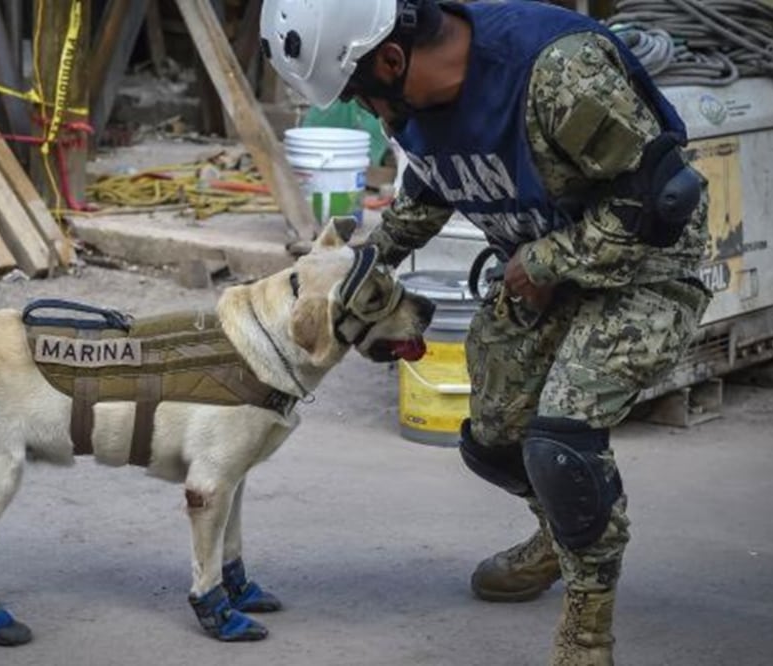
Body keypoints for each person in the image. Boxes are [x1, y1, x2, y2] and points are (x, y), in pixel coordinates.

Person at [261, 1, 712, 664]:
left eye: (359, 94)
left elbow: (659, 199)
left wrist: (547, 261)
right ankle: (557, 539)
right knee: (493, 438)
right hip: (540, 272)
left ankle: (585, 632)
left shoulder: (556, 73)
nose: (363, 111)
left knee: (562, 441)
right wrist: (363, 264)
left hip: (644, 269)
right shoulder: (419, 104)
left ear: (390, 59)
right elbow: (434, 183)